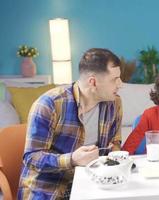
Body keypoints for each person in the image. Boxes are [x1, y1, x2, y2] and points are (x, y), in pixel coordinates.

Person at [18, 48, 123, 199]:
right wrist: (72, 159)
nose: (120, 84)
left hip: (93, 184)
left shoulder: (114, 103)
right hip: (48, 190)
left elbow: (115, 142)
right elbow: (32, 158)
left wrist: (115, 151)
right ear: (92, 82)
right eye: (115, 79)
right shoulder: (50, 104)